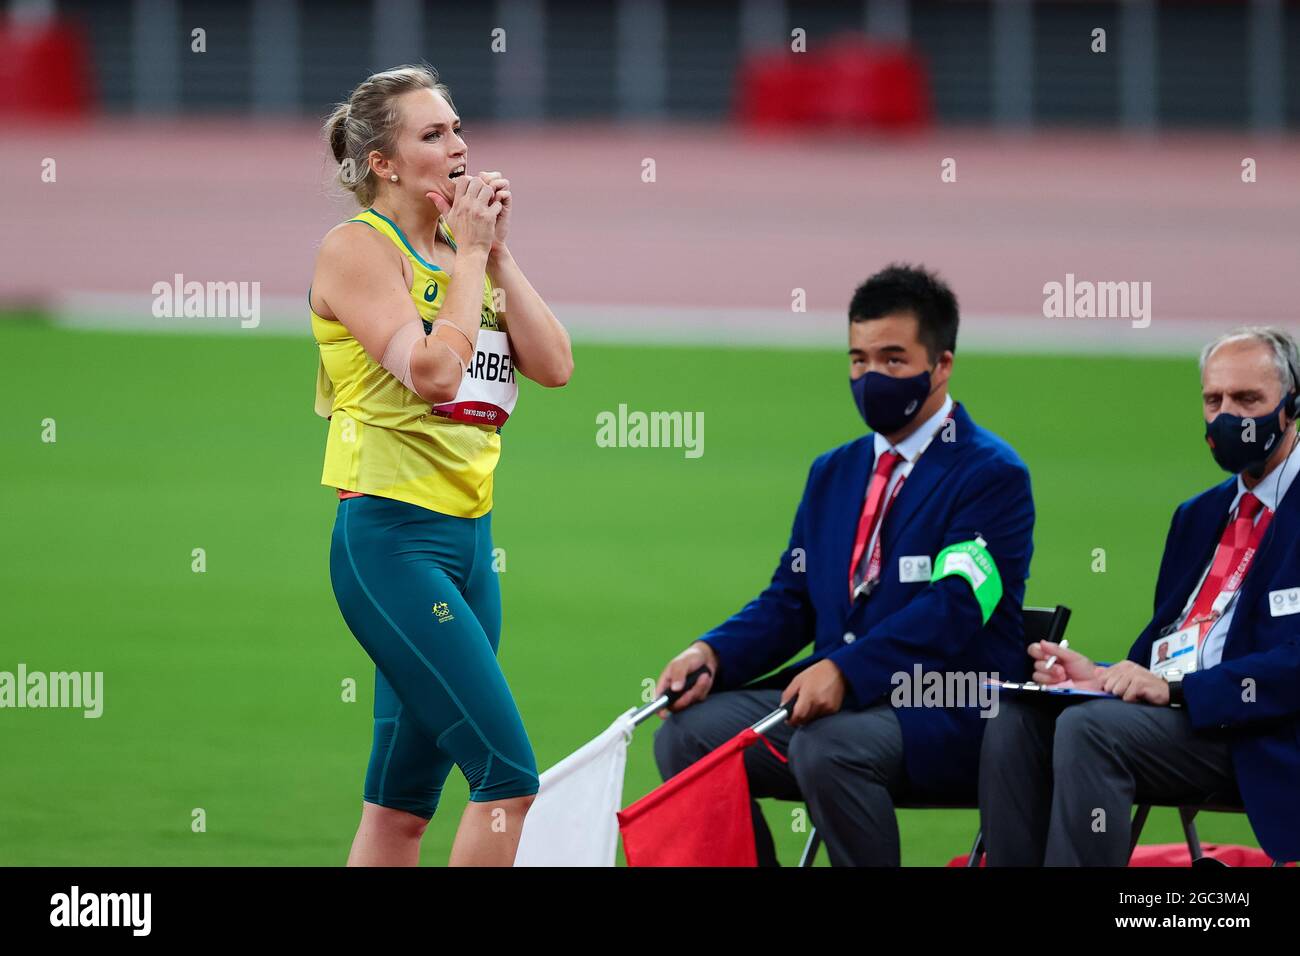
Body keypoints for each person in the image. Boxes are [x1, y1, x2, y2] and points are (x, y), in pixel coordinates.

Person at [653, 265, 1035, 866]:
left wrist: (847, 670)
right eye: (858, 360)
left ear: (943, 365)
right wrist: (714, 653)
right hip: (846, 704)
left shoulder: (991, 475)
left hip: (949, 711)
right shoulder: (834, 471)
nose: (870, 376)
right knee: (688, 738)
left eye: (893, 360)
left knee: (828, 747)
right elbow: (793, 600)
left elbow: (958, 608)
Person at [309, 65, 573, 866]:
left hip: (468, 548)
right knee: (508, 781)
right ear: (384, 164)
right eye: (434, 134)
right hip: (389, 542)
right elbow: (431, 373)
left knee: (400, 811)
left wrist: (492, 257)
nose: (459, 147)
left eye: (457, 128)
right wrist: (467, 264)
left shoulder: (467, 256)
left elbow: (555, 365)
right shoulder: (357, 250)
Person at [979, 326, 1300, 866]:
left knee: (1092, 730)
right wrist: (1101, 676)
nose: (1227, 416)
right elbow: (1171, 648)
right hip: (1186, 718)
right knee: (1017, 718)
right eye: (1213, 399)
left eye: (1248, 400)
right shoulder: (1197, 516)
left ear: (1291, 407)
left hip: (1263, 734)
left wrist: (1181, 691)